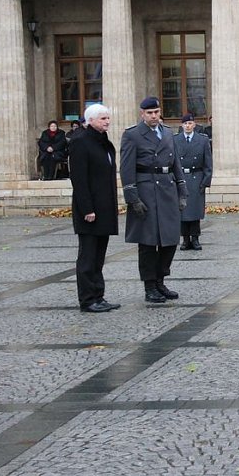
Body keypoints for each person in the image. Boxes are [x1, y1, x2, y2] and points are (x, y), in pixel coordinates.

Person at [120, 96, 188, 303]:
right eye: (149, 113)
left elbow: (175, 162)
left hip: (167, 190)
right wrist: (133, 198)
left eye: (157, 112)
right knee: (148, 242)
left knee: (170, 240)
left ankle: (161, 280)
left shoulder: (167, 132)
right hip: (146, 190)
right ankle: (150, 285)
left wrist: (182, 190)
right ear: (142, 114)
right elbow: (126, 168)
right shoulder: (132, 135)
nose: (154, 116)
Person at [68, 104, 120, 313]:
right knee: (88, 257)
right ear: (90, 120)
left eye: (108, 118)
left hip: (104, 208)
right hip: (89, 211)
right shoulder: (81, 141)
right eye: (103, 118)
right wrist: (87, 208)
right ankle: (88, 299)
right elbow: (79, 179)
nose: (107, 121)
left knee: (99, 257)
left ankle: (99, 295)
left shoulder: (103, 141)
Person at [174, 114, 212, 251]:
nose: (188, 126)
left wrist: (206, 181)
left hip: (197, 177)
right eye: (185, 124)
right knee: (182, 211)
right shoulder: (175, 140)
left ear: (194, 125)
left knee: (195, 211)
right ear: (182, 125)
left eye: (190, 123)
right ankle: (185, 239)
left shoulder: (202, 140)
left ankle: (195, 238)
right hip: (181, 177)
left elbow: (208, 162)